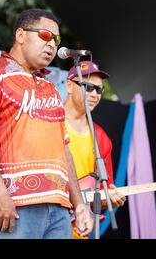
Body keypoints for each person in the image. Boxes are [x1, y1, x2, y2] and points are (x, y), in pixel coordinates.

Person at [0, 8, 94, 239]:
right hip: (12, 205)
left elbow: (64, 148)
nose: (53, 45)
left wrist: (79, 204)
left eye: (57, 40)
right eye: (45, 36)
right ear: (21, 35)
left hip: (58, 208)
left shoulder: (52, 89)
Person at [63, 61, 126, 239]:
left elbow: (102, 193)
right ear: (69, 85)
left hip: (80, 231)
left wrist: (109, 200)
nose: (94, 94)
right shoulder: (48, 123)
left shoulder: (101, 138)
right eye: (88, 87)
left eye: (99, 90)